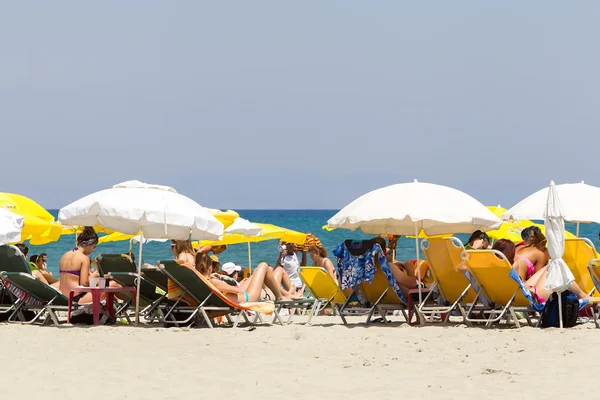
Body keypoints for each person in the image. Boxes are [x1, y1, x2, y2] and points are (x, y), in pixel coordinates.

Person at [195, 253, 299, 303]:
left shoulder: (199, 280)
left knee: (255, 275)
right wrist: (220, 281)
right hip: (247, 298)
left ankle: (287, 294)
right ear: (209, 268)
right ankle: (281, 297)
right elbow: (236, 290)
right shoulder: (213, 281)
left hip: (240, 295)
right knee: (263, 265)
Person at [58, 227, 102, 303]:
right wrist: (93, 276)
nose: (93, 250)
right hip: (75, 297)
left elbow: (72, 277)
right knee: (108, 291)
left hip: (62, 296)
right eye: (93, 247)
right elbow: (84, 284)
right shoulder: (84, 258)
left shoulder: (65, 255)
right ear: (89, 244)